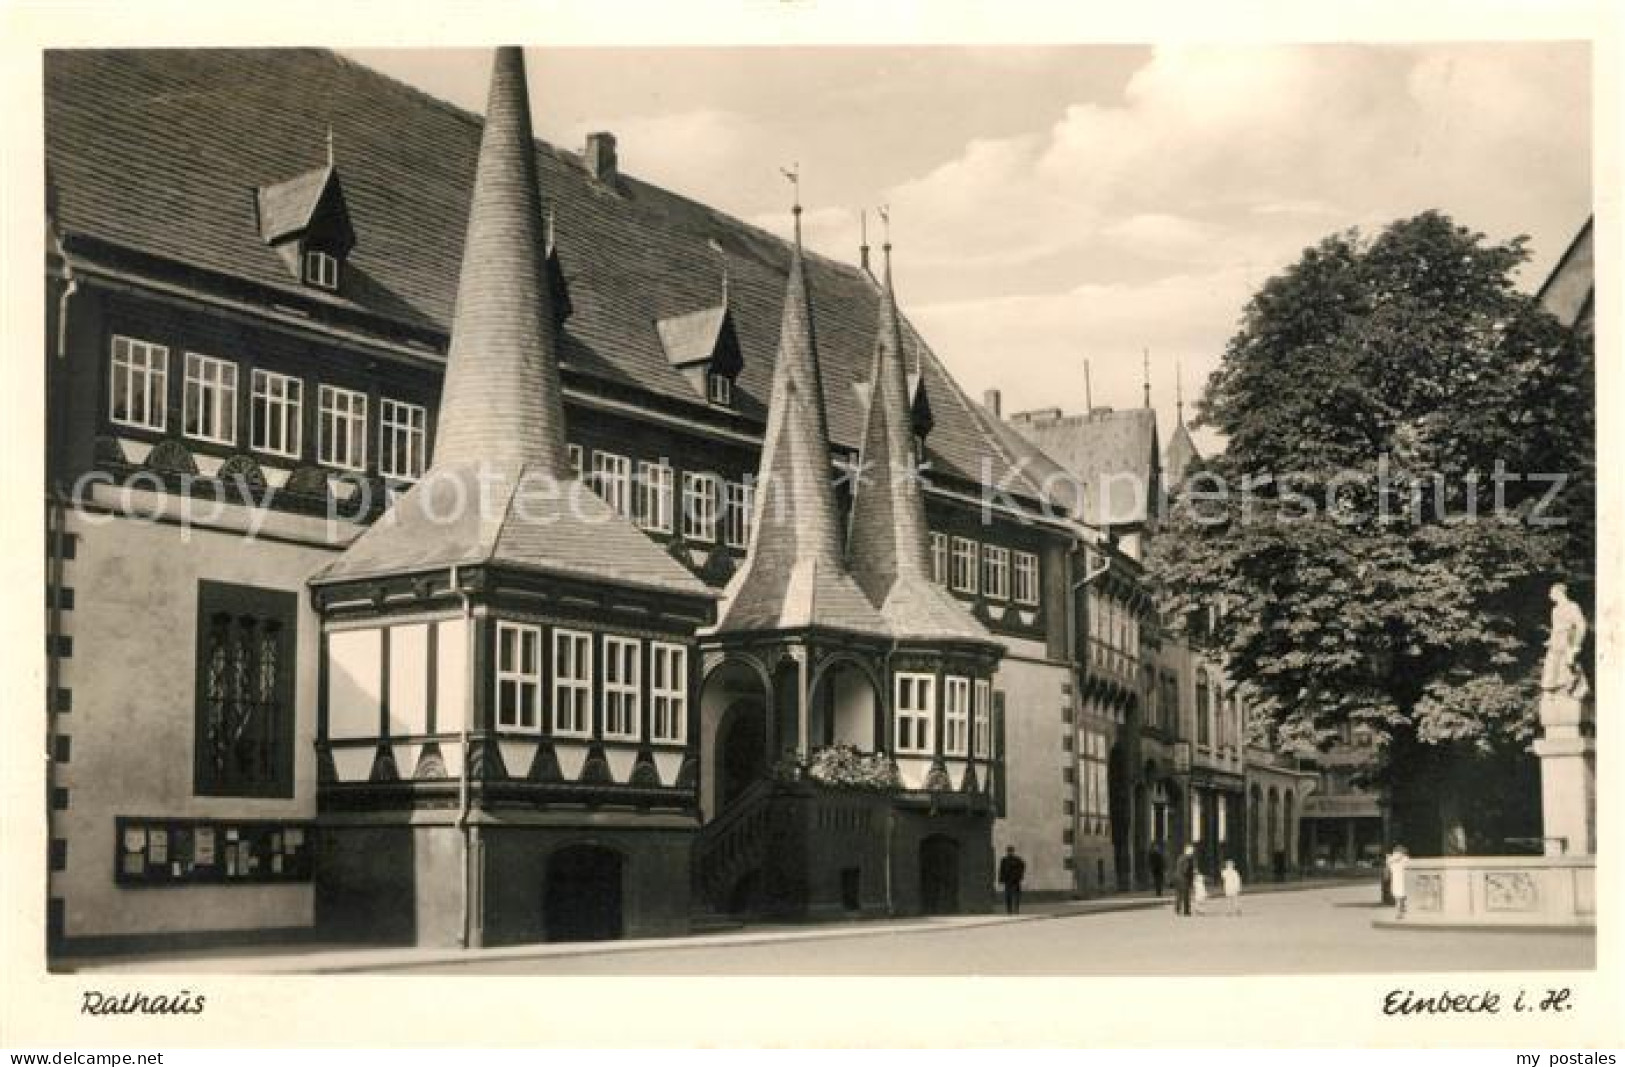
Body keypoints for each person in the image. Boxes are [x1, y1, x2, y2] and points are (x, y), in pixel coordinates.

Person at [998, 846, 1027, 915]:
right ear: (1007, 852)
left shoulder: (1017, 860)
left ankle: (1016, 909)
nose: (1010, 853)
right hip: (1008, 880)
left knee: (1016, 895)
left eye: (1011, 851)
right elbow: (1001, 870)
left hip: (1015, 880)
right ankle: (1009, 910)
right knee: (1008, 896)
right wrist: (1001, 879)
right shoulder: (1004, 860)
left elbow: (1022, 868)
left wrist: (1019, 876)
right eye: (1009, 851)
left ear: (1013, 852)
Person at [1386, 844, 1409, 920]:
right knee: (1402, 896)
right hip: (1402, 878)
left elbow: (1388, 869)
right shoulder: (1405, 859)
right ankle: (1401, 911)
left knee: (1398, 896)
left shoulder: (1390, 859)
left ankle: (1400, 911)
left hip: (1396, 879)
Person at [1172, 844, 1196, 917]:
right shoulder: (1187, 858)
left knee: (1178, 895)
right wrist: (1193, 872)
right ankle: (1186, 911)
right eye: (1191, 851)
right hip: (1183, 879)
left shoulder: (1180, 857)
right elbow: (1185, 870)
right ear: (1187, 851)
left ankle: (1177, 910)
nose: (1192, 852)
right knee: (1186, 895)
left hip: (1177, 878)